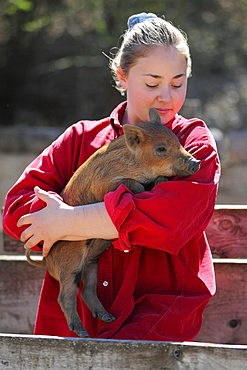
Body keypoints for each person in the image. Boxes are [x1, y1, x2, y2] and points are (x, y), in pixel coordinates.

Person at [2, 12, 221, 341]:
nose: (166, 96)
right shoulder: (81, 139)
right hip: (76, 325)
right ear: (121, 76)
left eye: (178, 83)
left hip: (158, 314)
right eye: (152, 83)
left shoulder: (193, 143)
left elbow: (172, 218)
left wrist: (66, 221)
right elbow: (17, 209)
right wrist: (64, 214)